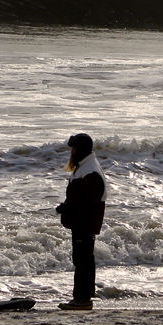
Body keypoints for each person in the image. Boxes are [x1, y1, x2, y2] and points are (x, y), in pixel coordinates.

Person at [55, 133, 107, 310]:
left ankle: (83, 299)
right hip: (82, 222)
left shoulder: (90, 171)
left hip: (85, 223)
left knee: (83, 261)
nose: (72, 152)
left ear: (82, 150)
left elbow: (89, 203)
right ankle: (81, 298)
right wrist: (67, 207)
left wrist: (68, 208)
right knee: (81, 260)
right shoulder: (85, 167)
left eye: (74, 149)